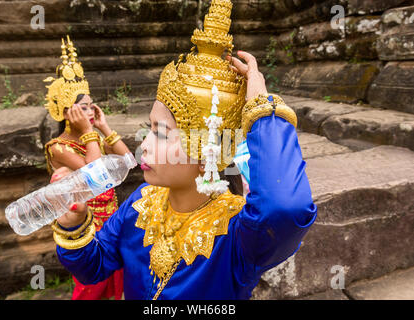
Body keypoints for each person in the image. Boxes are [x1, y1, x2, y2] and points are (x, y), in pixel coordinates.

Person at [51, 0, 317, 300]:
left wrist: (260, 103)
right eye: (149, 129)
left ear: (208, 155)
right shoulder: (139, 204)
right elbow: (93, 268)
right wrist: (73, 227)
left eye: (160, 133)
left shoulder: (236, 233)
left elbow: (285, 207)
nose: (145, 145)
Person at [43, 36, 130, 300]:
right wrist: (90, 131)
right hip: (86, 230)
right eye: (83, 108)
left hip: (113, 225)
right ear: (67, 113)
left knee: (118, 286)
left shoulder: (93, 139)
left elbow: (129, 162)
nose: (90, 111)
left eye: (91, 106)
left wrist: (103, 128)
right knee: (91, 289)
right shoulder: (57, 148)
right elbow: (95, 177)